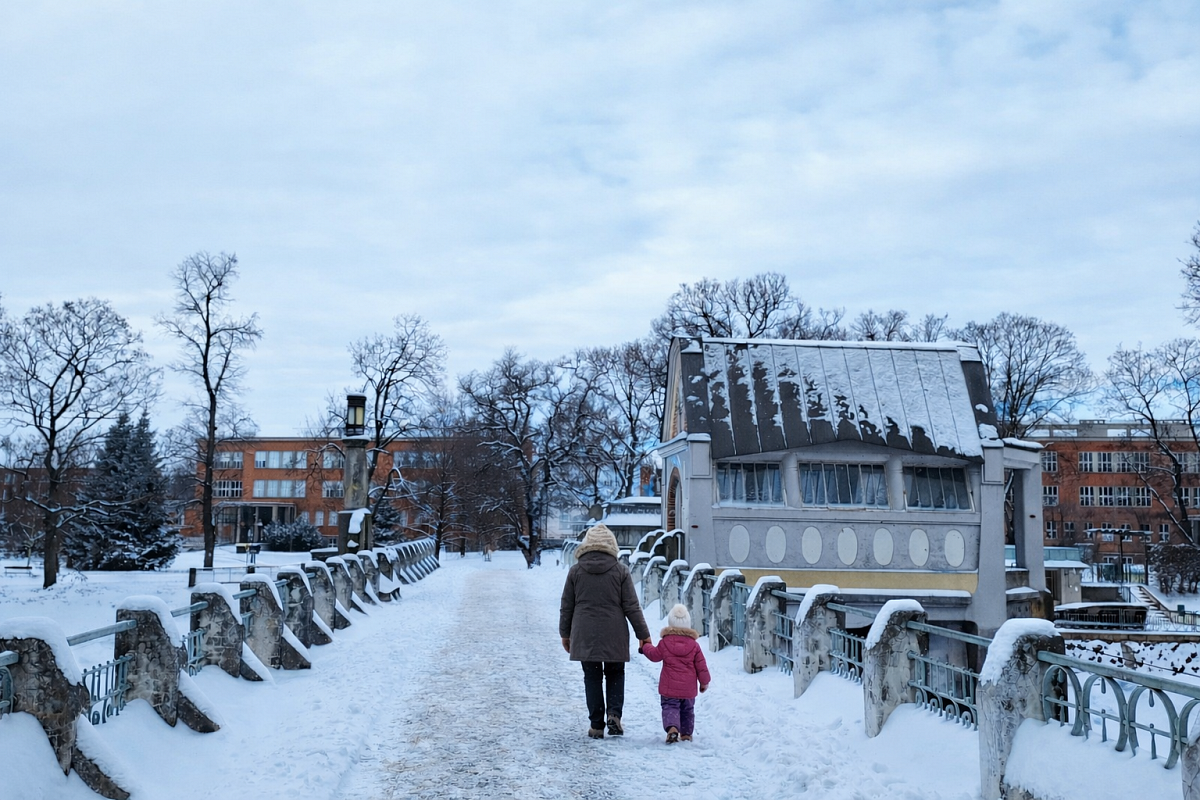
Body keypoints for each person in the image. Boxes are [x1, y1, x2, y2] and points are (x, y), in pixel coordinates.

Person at [559, 524, 651, 739]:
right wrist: (643, 635)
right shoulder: (620, 571)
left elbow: (567, 605)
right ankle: (614, 715)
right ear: (612, 545)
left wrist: (565, 633)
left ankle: (596, 725)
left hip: (584, 632)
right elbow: (632, 606)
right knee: (615, 673)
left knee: (591, 677)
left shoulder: (576, 571)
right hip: (615, 632)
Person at [639, 603, 711, 744]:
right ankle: (686, 734)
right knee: (687, 710)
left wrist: (646, 646)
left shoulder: (665, 642)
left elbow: (654, 655)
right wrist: (704, 682)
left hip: (669, 687)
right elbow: (701, 666)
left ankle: (672, 728)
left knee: (670, 707)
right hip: (688, 689)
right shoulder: (694, 646)